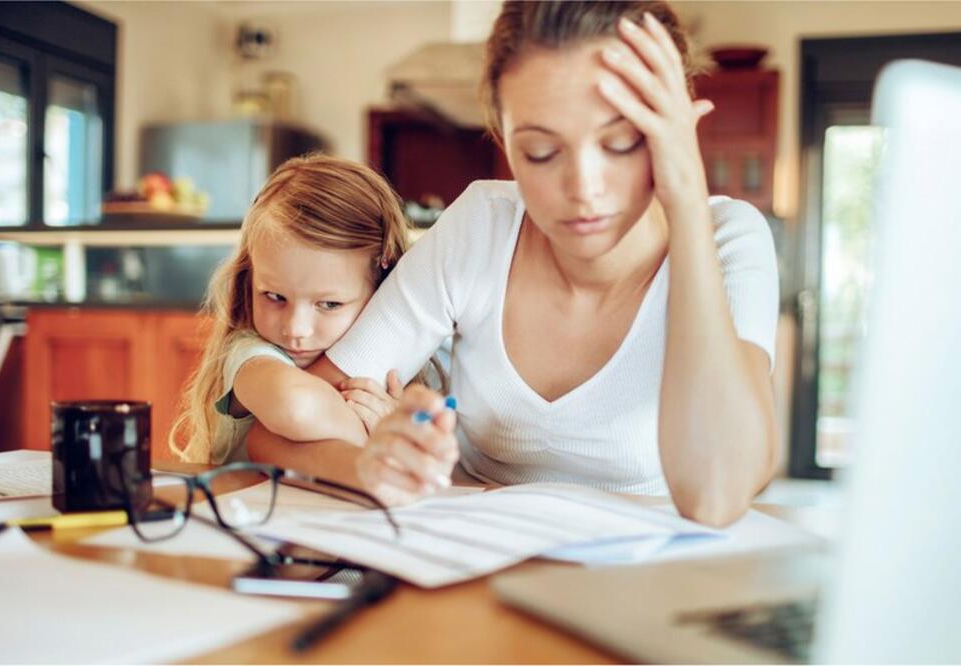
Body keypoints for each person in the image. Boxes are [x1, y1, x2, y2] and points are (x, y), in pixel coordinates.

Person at [249, 1, 780, 526]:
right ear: (503, 138)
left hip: (642, 584)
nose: (584, 190)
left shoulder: (727, 239)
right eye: (542, 153)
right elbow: (272, 434)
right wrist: (371, 465)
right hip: (474, 567)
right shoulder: (480, 227)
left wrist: (685, 197)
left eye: (622, 141)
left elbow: (717, 496)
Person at [169, 154, 416, 466]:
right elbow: (293, 405)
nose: (295, 329)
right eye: (274, 296)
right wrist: (385, 437)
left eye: (329, 304)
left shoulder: (400, 365)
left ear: (382, 286)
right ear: (250, 278)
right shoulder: (250, 354)